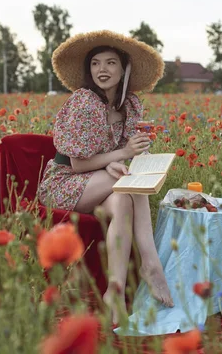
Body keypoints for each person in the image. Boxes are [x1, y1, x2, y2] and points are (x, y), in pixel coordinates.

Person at [37, 30, 173, 324]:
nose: (102, 69)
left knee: (125, 197)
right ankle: (150, 261)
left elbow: (117, 157)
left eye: (111, 63)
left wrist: (123, 158)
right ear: (89, 70)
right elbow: (75, 164)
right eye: (96, 63)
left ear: (124, 69)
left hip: (101, 181)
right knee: (129, 183)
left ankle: (115, 291)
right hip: (65, 183)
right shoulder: (84, 101)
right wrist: (120, 155)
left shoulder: (130, 104)